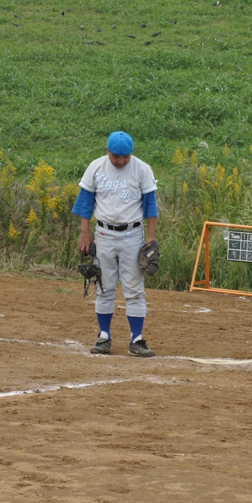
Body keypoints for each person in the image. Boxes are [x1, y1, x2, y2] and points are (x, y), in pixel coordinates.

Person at [71, 131, 159, 358]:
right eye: (116, 157)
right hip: (103, 234)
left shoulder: (142, 169)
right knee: (104, 287)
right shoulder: (96, 167)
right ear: (107, 151)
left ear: (131, 153)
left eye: (125, 157)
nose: (120, 161)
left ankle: (136, 339)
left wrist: (150, 237)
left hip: (132, 235)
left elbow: (151, 206)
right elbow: (85, 203)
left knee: (134, 289)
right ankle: (103, 336)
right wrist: (85, 234)